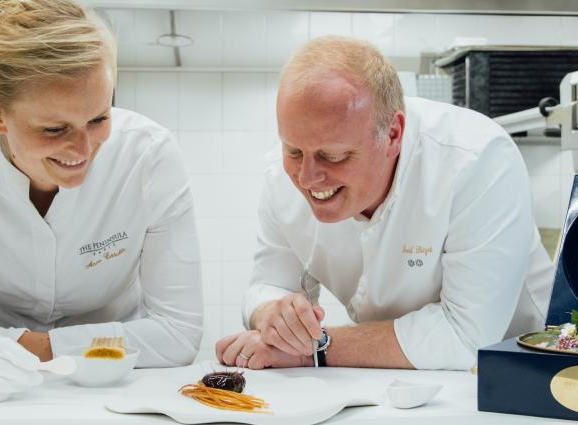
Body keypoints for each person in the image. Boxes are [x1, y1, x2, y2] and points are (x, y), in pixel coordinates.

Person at [0, 0, 202, 403]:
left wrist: (26, 346)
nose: (83, 149)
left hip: (116, 383)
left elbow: (179, 333)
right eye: (54, 128)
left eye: (99, 118)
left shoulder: (148, 155)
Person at [215, 36, 555, 370]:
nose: (307, 177)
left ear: (393, 134)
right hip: (388, 375)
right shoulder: (281, 179)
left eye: (333, 156)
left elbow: (466, 336)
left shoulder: (477, 159)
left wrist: (313, 349)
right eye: (293, 151)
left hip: (521, 372)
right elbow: (267, 285)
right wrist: (274, 315)